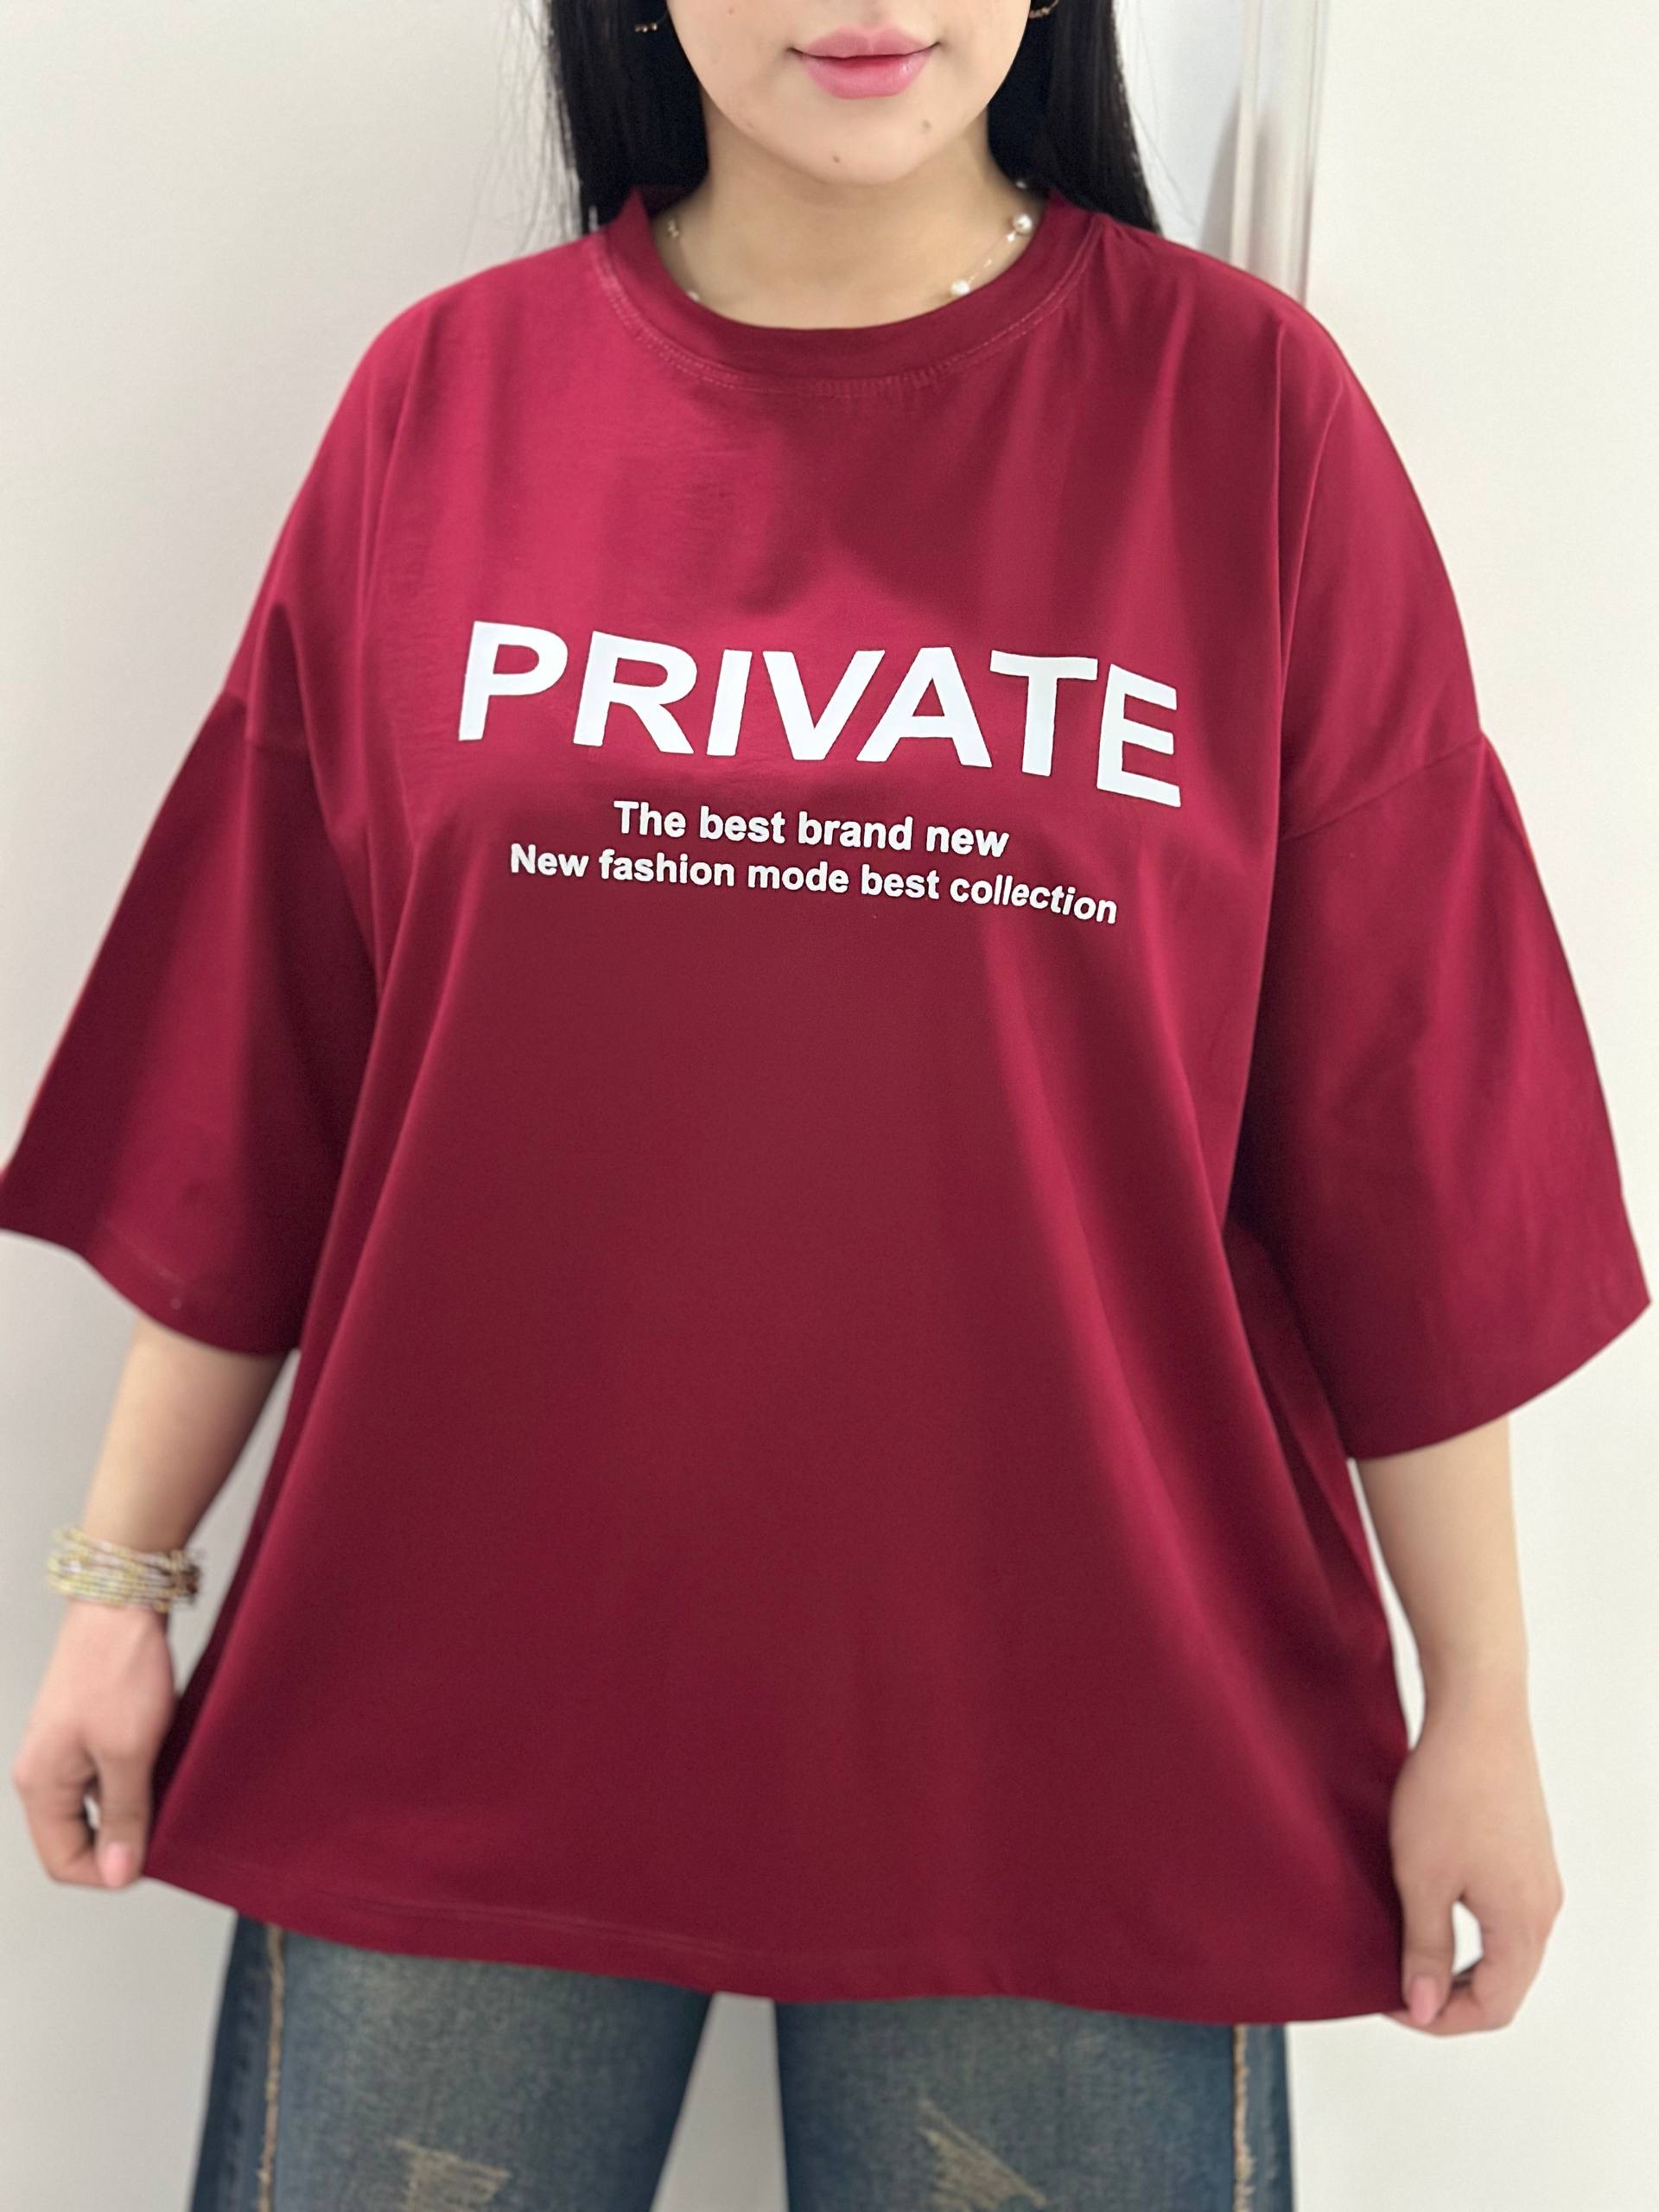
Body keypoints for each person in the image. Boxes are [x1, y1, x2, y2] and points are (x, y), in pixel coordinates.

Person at [3, 0, 1649, 2205]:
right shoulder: (443, 404)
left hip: (1081, 1750)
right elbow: (257, 1075)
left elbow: (1410, 1126)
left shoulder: (1246, 418)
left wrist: (1486, 1707)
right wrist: (119, 1579)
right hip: (456, 1704)